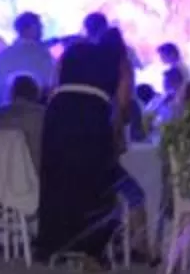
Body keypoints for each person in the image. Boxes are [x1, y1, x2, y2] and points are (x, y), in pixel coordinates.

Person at [36, 18, 132, 260]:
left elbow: (54, 82)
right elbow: (122, 103)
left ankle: (51, 243)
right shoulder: (120, 62)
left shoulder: (74, 51)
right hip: (92, 113)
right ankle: (91, 248)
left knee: (56, 177)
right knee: (93, 180)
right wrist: (117, 135)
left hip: (59, 111)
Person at [0, 12, 57, 109]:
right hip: (37, 117)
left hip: (5, 118)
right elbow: (51, 85)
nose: (42, 30)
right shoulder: (42, 56)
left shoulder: (1, 58)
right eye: (40, 26)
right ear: (29, 29)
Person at [0, 74, 47, 172]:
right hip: (36, 174)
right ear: (36, 92)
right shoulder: (44, 114)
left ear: (12, 92)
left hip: (1, 174)